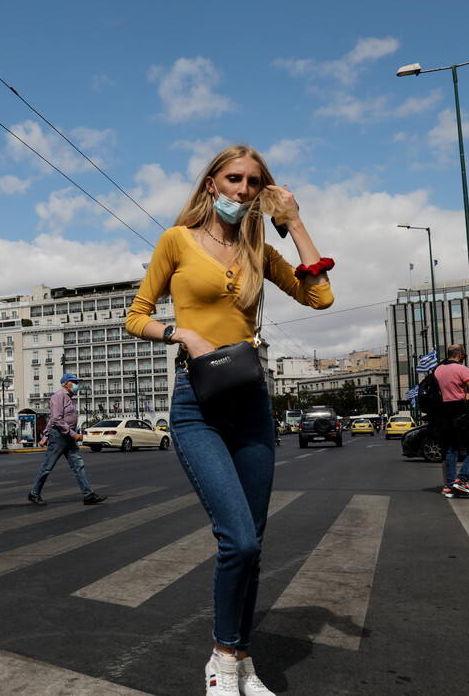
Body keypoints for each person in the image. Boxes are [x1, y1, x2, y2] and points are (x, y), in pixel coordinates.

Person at [126, 145, 334, 696]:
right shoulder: (177, 241)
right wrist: (182, 334)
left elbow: (322, 297)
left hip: (251, 407)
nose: (241, 191)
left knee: (255, 543)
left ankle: (242, 660)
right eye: (233, 179)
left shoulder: (259, 250)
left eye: (253, 183)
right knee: (237, 540)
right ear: (212, 182)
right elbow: (136, 316)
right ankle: (220, 658)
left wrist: (295, 223)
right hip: (197, 405)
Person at [28, 373, 106, 506]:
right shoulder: (58, 396)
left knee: (78, 465)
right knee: (47, 466)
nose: (77, 385)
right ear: (67, 383)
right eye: (74, 382)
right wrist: (69, 434)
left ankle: (88, 494)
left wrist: (64, 435)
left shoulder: (68, 397)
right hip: (59, 437)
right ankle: (34, 493)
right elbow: (56, 419)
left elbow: (54, 419)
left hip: (68, 437)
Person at [433, 345, 469, 498]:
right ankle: (463, 480)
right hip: (459, 412)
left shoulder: (437, 370)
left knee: (451, 450)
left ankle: (451, 487)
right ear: (460, 354)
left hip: (443, 415)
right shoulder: (461, 369)